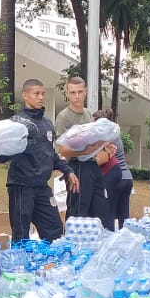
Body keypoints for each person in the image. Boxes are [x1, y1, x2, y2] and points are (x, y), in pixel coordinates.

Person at [0, 79, 63, 243]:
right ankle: (20, 265)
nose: (41, 97)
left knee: (55, 229)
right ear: (25, 95)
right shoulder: (16, 123)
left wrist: (67, 170)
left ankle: (52, 265)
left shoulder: (47, 124)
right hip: (21, 186)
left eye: (43, 93)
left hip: (42, 187)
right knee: (21, 233)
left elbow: (50, 153)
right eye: (36, 93)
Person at [53, 76, 99, 218]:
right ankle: (73, 239)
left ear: (85, 92)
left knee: (95, 209)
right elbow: (61, 150)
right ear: (67, 94)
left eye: (80, 92)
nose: (77, 96)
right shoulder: (63, 117)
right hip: (75, 167)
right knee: (78, 210)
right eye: (73, 93)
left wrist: (103, 145)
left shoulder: (89, 114)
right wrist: (85, 150)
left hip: (92, 165)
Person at [93, 135, 133, 231]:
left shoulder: (104, 134)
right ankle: (125, 238)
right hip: (127, 177)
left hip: (113, 175)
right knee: (123, 214)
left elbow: (101, 159)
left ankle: (109, 237)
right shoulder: (116, 134)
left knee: (109, 211)